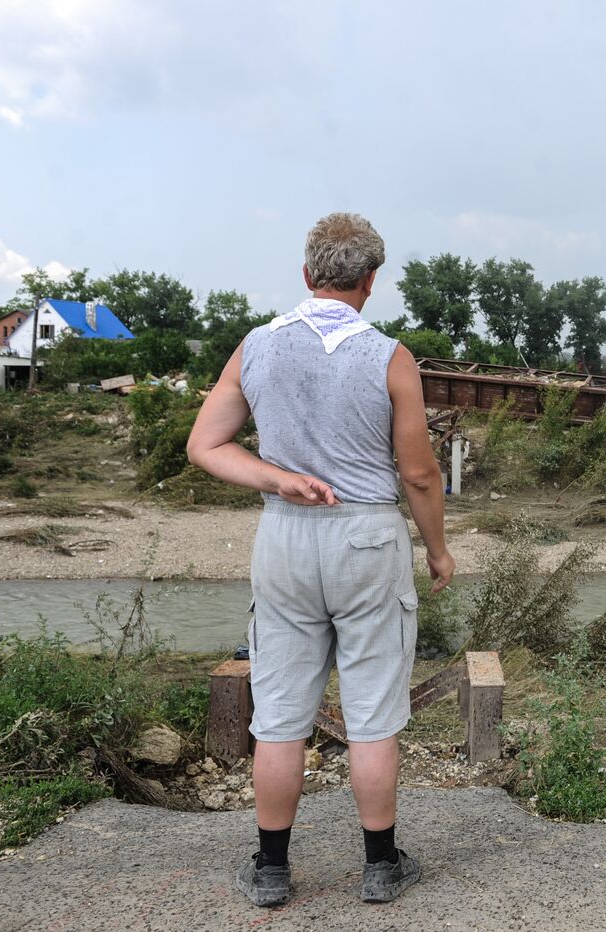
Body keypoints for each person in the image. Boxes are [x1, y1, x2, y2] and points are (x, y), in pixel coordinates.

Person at [187, 212, 456, 907]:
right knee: (371, 713)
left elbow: (206, 446)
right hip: (365, 537)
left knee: (279, 715)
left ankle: (272, 870)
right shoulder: (390, 357)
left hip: (284, 535)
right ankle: (380, 866)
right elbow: (421, 474)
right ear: (371, 280)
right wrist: (437, 550)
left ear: (307, 275)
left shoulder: (256, 347)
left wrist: (276, 478)